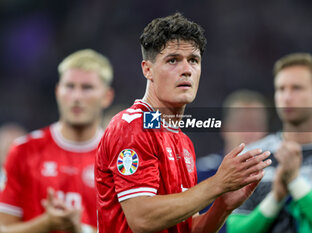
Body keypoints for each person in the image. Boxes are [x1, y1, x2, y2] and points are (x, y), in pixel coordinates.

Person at [96, 13, 272, 233]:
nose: (186, 69)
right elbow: (142, 219)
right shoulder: (132, 126)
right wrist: (218, 184)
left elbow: (188, 229)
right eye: (173, 60)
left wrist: (223, 205)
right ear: (147, 69)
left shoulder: (183, 141)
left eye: (193, 60)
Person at [227, 53, 312, 233]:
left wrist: (295, 182)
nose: (286, 96)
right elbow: (235, 230)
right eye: (281, 89)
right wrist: (275, 198)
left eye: (296, 88)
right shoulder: (254, 155)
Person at [0, 49, 114, 233]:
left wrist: (81, 230)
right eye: (69, 86)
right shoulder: (24, 151)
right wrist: (45, 224)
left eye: (87, 88)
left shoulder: (118, 159)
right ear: (57, 91)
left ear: (107, 97)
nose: (76, 97)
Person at [196, 90, 269, 233]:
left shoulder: (279, 177)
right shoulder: (199, 174)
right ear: (225, 129)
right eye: (241, 124)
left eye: (255, 125)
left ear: (265, 131)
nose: (248, 132)